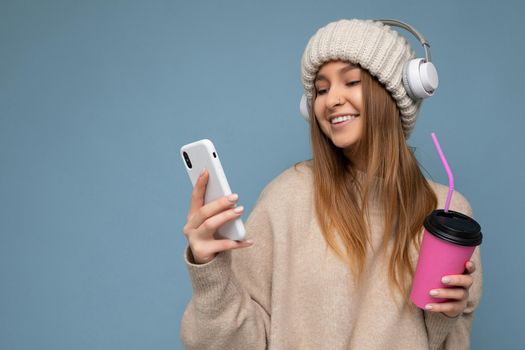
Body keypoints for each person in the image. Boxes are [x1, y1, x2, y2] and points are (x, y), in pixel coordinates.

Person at [180, 18, 482, 349]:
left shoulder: (448, 213)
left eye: (351, 81)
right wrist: (210, 273)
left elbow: (447, 342)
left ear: (399, 93)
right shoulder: (287, 198)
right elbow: (236, 342)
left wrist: (446, 315)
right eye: (321, 90)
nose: (331, 99)